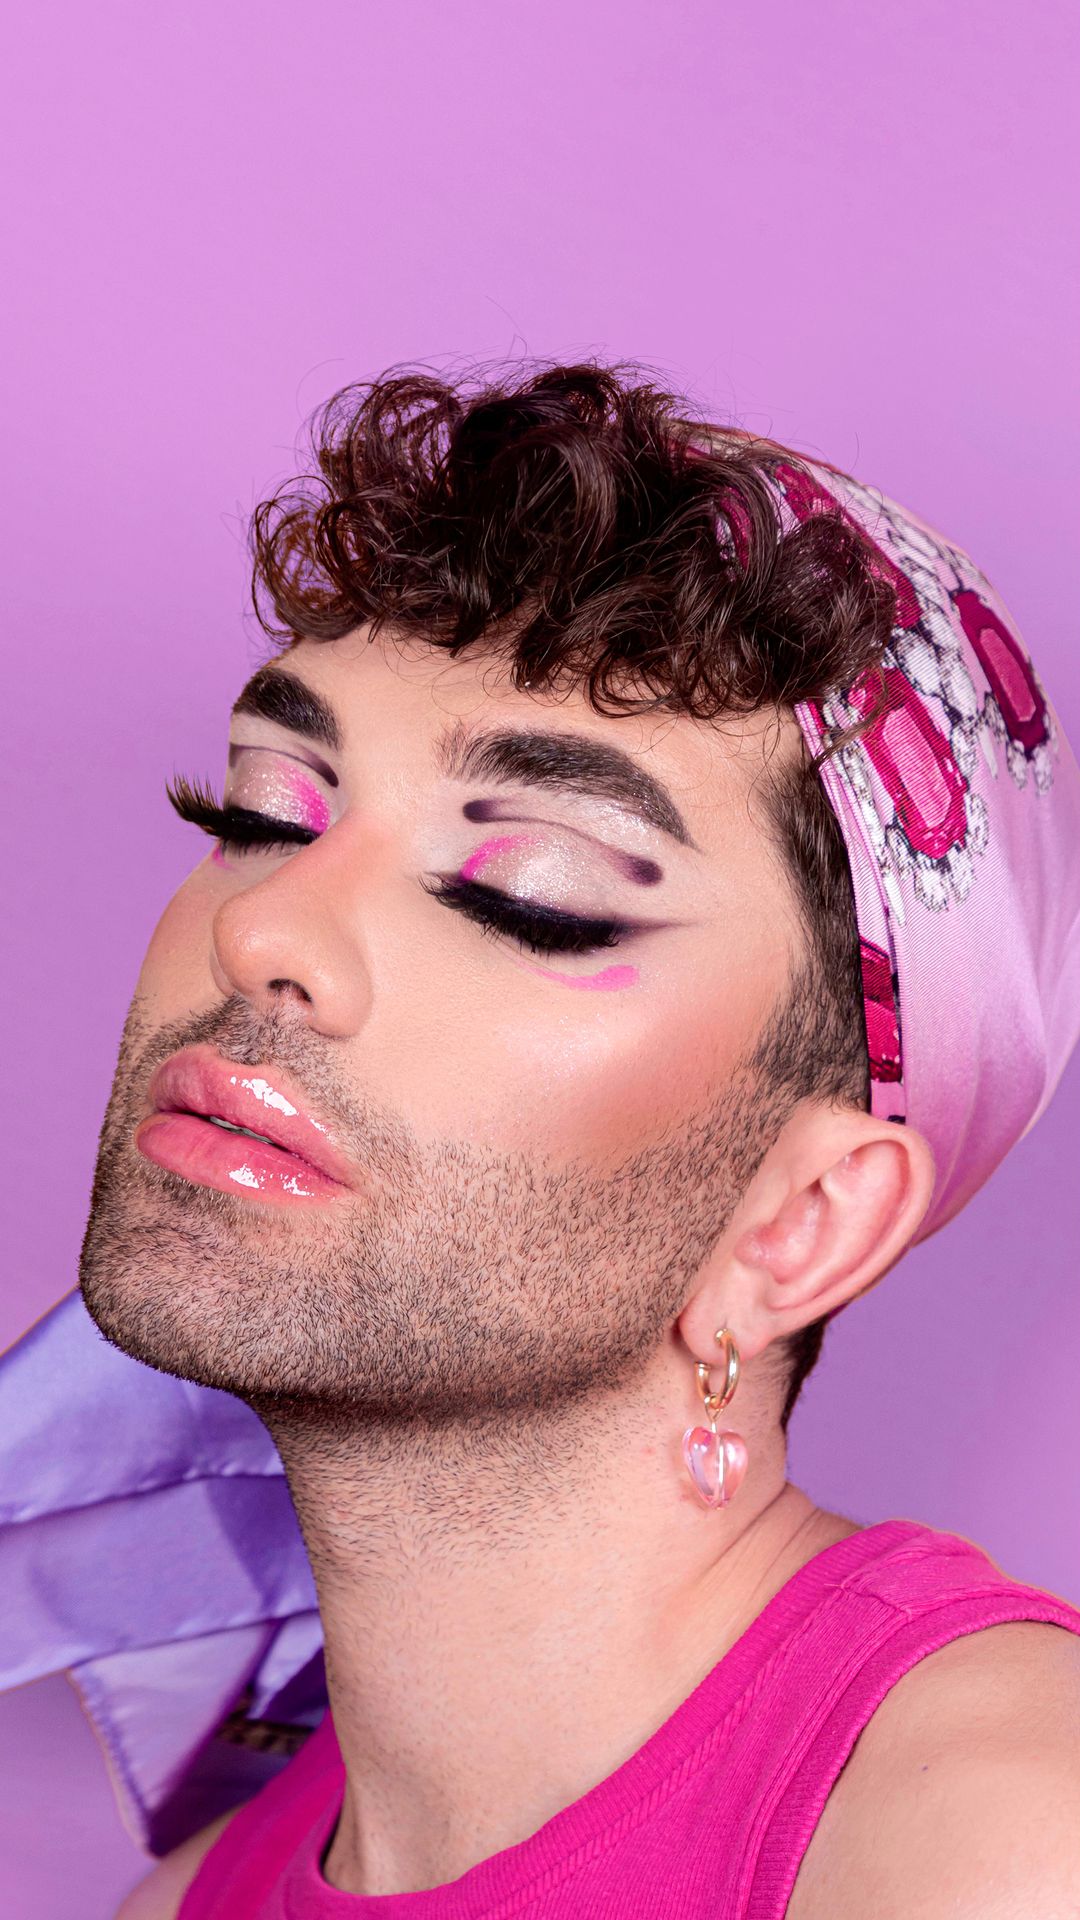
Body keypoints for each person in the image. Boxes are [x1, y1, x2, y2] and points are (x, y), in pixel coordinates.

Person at [40, 361, 1080, 1915]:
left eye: (528, 896)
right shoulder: (187, 1900)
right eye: (263, 814)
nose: (265, 931)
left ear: (798, 1224)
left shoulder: (1007, 1834)